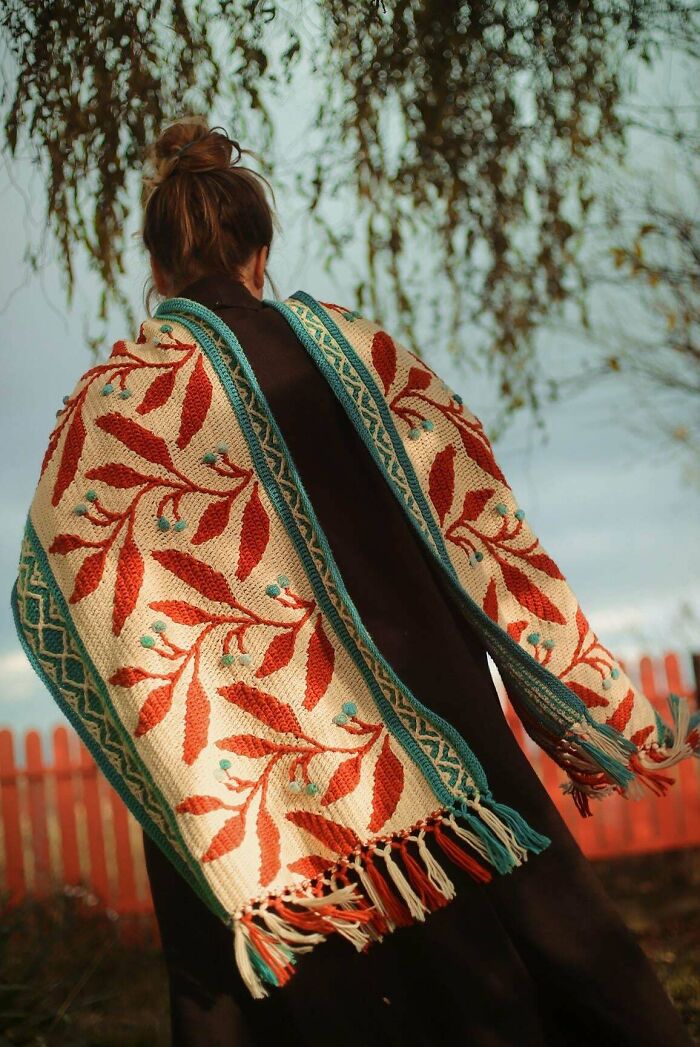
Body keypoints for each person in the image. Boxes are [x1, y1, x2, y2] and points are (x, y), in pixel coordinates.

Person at [136, 117, 693, 1046]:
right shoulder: (360, 354)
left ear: (155, 267)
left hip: (245, 746)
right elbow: (473, 512)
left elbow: (86, 595)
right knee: (525, 926)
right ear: (261, 253)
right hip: (424, 699)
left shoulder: (124, 402)